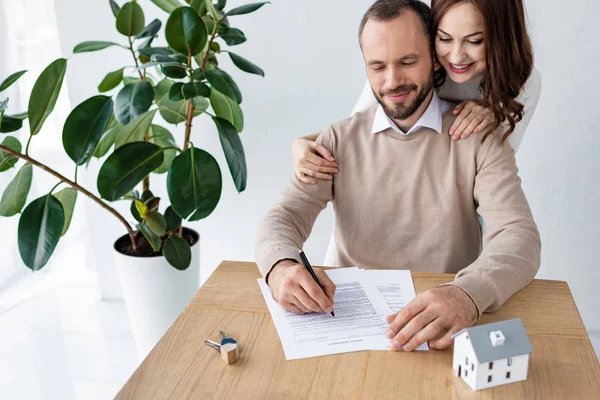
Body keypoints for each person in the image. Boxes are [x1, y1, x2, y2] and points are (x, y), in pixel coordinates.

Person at [255, 0, 541, 352]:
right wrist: (279, 265)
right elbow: (283, 216)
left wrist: (468, 293)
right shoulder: (337, 139)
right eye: (377, 66)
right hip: (346, 327)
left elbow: (518, 237)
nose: (392, 82)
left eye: (407, 62)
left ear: (435, 60)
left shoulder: (479, 139)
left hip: (442, 330)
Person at [293, 0, 542, 266]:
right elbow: (358, 134)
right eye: (444, 38)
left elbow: (493, 176)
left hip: (451, 220)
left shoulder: (523, 84)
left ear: (501, 36)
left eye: (475, 41)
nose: (456, 57)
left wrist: (494, 114)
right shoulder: (399, 72)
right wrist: (302, 144)